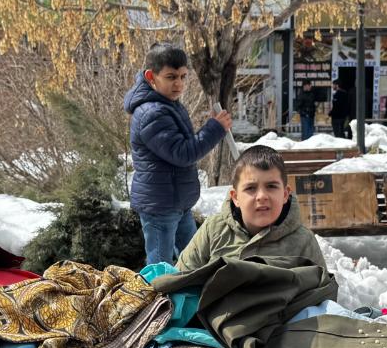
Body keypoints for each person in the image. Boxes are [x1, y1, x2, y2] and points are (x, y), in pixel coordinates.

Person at [124, 42, 232, 265]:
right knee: (160, 267)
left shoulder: (166, 103)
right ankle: (157, 300)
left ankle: (191, 298)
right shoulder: (151, 113)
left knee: (193, 259)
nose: (179, 84)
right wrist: (215, 128)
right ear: (151, 76)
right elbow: (183, 153)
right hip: (160, 205)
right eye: (171, 77)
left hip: (175, 202)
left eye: (183, 76)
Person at [176, 145, 326, 271]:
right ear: (235, 197)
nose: (262, 196)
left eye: (271, 186)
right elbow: (180, 277)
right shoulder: (214, 230)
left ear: (285, 194)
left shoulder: (303, 241)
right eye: (251, 188)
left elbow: (321, 293)